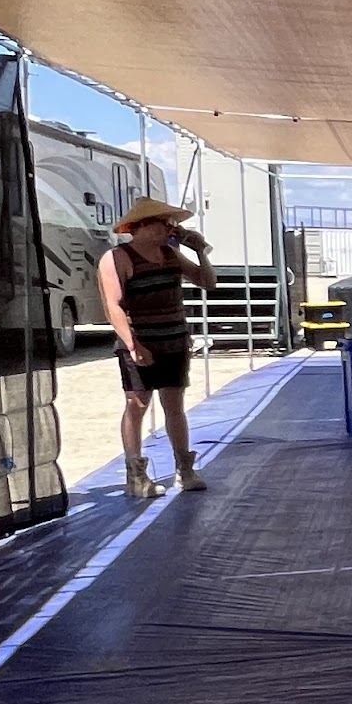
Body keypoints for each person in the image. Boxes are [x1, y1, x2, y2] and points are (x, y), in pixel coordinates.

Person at [100, 196, 214, 499]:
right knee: (137, 404)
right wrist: (132, 344)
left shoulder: (171, 254)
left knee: (174, 404)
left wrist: (200, 251)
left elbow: (207, 282)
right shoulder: (117, 257)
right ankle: (136, 474)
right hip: (139, 340)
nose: (170, 228)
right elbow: (113, 306)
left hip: (174, 338)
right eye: (165, 223)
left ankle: (184, 469)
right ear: (145, 226)